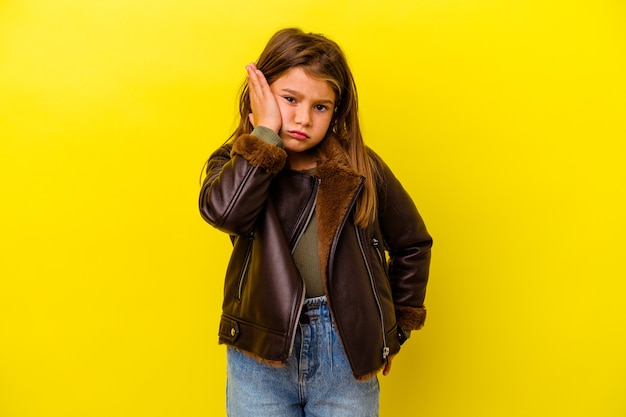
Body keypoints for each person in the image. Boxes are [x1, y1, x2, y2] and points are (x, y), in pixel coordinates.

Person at [199, 28, 432, 417]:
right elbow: (227, 214)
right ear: (260, 95)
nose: (303, 118)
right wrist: (266, 137)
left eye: (321, 107)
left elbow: (413, 244)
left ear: (336, 111)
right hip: (261, 351)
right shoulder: (235, 164)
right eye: (289, 99)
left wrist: (395, 330)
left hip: (345, 350)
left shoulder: (360, 170)